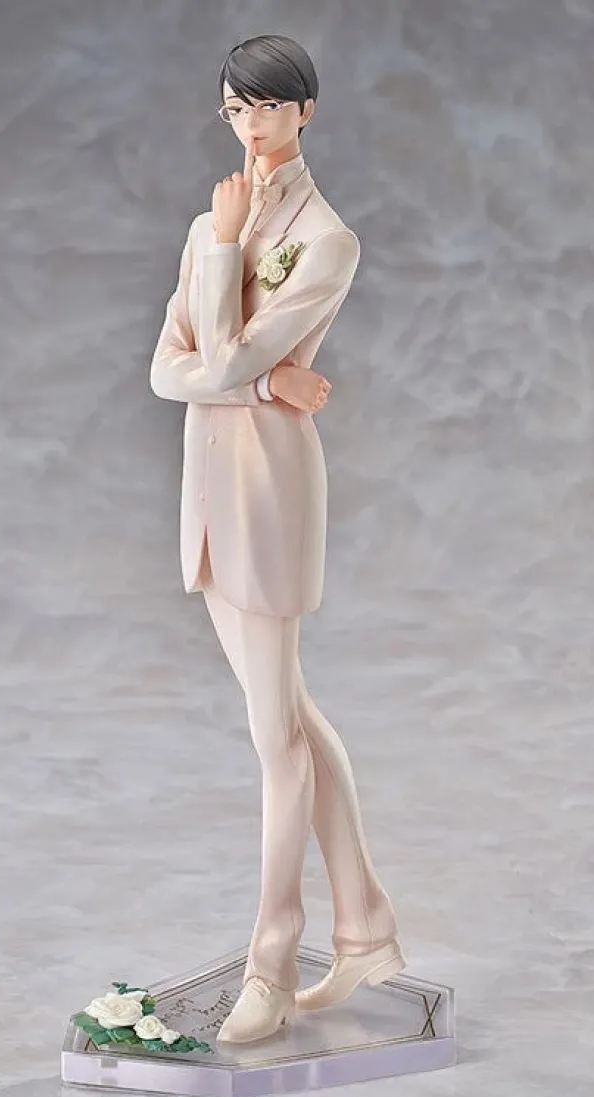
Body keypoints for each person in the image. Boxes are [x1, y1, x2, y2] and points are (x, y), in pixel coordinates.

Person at [149, 33, 406, 1045]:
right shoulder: (207, 220)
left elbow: (216, 357)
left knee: (276, 738)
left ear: (304, 110)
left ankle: (273, 954)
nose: (248, 127)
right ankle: (365, 928)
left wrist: (223, 261)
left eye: (264, 107)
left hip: (268, 494)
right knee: (288, 713)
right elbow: (168, 370)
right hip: (211, 493)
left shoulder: (327, 239)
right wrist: (267, 382)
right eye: (233, 109)